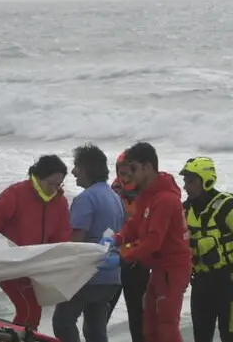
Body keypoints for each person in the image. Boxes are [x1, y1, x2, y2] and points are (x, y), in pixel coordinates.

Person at [103, 142, 192, 342]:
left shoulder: (165, 199)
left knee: (167, 326)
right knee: (149, 326)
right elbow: (135, 225)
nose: (130, 175)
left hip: (172, 269)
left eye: (134, 169)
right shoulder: (147, 195)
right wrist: (117, 238)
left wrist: (122, 257)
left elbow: (153, 241)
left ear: (148, 167)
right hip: (158, 268)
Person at [0, 154, 72, 330]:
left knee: (34, 310)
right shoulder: (17, 193)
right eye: (50, 183)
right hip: (9, 262)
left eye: (58, 184)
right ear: (39, 177)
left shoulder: (60, 202)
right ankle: (18, 334)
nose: (54, 189)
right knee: (28, 307)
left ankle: (19, 333)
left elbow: (62, 235)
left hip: (35, 265)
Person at [179, 157, 233, 342]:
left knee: (229, 336)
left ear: (206, 181)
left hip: (229, 281)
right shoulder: (185, 210)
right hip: (201, 283)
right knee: (201, 338)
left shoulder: (228, 208)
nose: (185, 186)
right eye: (185, 181)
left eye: (191, 181)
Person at [51, 144, 124, 342]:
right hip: (112, 276)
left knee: (63, 322)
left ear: (87, 169)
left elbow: (76, 242)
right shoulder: (115, 197)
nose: (73, 172)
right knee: (95, 330)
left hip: (88, 275)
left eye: (77, 167)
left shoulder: (86, 198)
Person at [105, 151, 150, 342]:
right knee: (99, 318)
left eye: (129, 172)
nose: (124, 177)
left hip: (137, 262)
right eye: (121, 172)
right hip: (113, 261)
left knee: (139, 320)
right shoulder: (112, 191)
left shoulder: (149, 194)